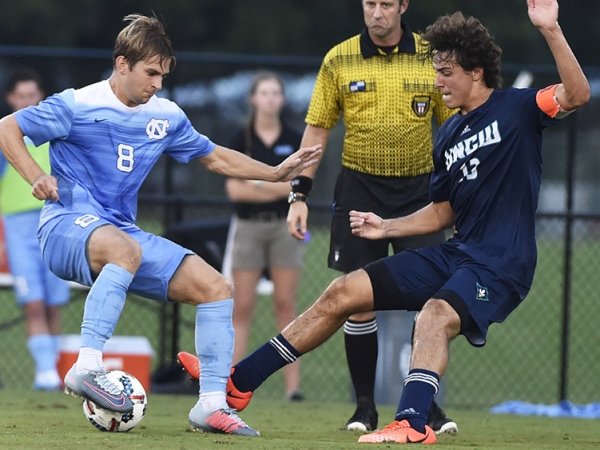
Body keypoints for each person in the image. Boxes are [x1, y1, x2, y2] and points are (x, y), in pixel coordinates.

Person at [179, 0, 590, 444]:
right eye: (435, 71)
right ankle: (240, 383)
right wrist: (387, 226)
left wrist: (550, 30)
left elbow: (577, 94)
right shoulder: (448, 134)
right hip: (458, 253)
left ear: (476, 72)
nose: (438, 81)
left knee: (433, 314)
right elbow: (442, 212)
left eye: (446, 72)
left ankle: (412, 422)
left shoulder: (520, 108)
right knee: (344, 291)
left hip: (501, 263)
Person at [0, 14, 320, 437]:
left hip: (121, 237)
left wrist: (275, 173)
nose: (157, 84)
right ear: (121, 64)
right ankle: (87, 366)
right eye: (150, 73)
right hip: (63, 228)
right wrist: (35, 176)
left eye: (163, 75)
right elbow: (8, 127)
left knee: (217, 288)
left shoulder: (166, 115)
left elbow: (214, 156)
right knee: (124, 249)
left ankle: (209, 406)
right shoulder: (77, 103)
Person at [286, 0, 456, 433]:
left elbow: (454, 125)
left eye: (385, 3)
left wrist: (463, 190)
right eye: (369, 4)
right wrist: (299, 193)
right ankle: (364, 407)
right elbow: (317, 129)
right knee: (357, 301)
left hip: (420, 191)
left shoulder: (431, 56)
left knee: (432, 301)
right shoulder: (338, 58)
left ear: (402, 6)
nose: (376, 13)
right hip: (360, 189)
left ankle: (426, 407)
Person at [224, 72, 305, 401]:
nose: (270, 99)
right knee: (241, 306)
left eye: (276, 93)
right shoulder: (240, 138)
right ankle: (230, 383)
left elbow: (297, 185)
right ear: (253, 99)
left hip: (284, 226)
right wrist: (274, 185)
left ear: (282, 99)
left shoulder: (294, 137)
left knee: (286, 306)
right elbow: (234, 190)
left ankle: (292, 388)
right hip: (247, 227)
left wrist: (258, 184)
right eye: (264, 93)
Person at [0, 69, 70, 391]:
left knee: (54, 302)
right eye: (22, 95)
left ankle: (52, 369)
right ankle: (45, 371)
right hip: (18, 230)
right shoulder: (3, 139)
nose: (28, 101)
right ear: (11, 98)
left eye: (33, 95)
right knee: (33, 302)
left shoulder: (56, 135)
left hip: (55, 225)